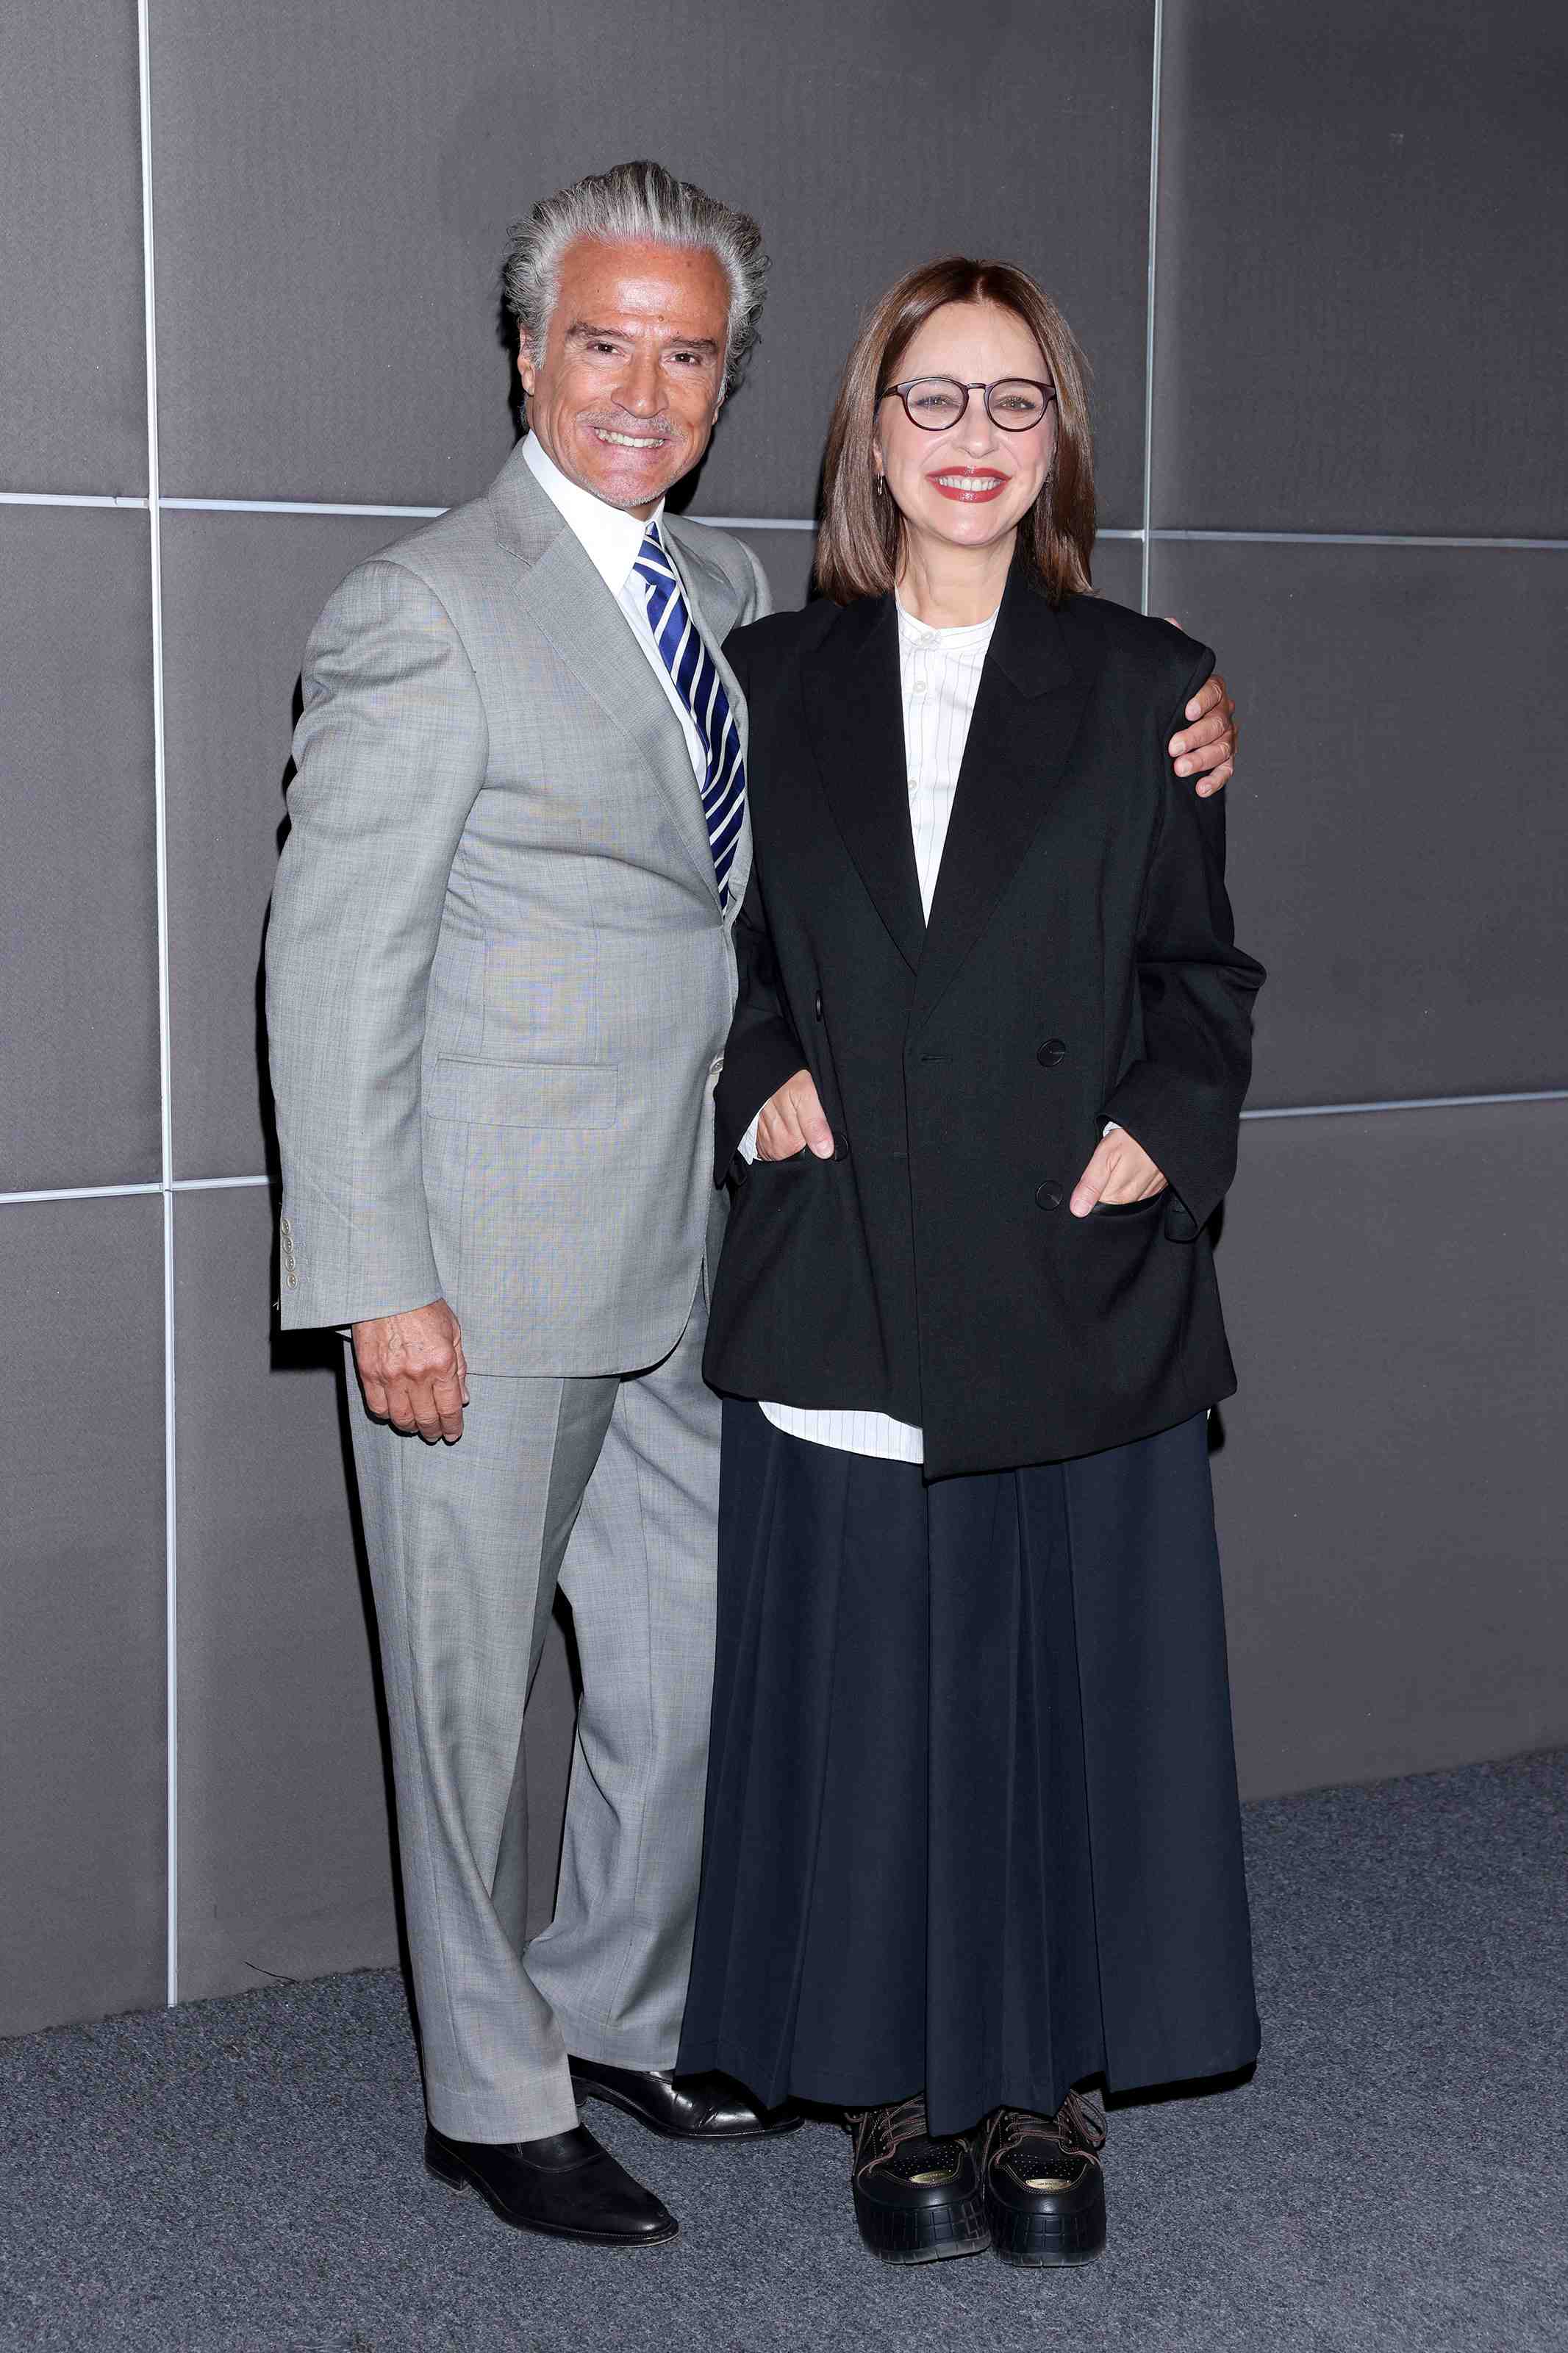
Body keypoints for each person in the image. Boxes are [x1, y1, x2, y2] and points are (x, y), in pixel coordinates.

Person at [265, 165, 1244, 2254]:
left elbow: (893, 792)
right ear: (526, 356)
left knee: (691, 1681)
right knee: (462, 1705)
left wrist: (1182, 716)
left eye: (688, 354)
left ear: (733, 386)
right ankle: (490, 2096)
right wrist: (372, 1278)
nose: (642, 390)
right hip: (487, 1257)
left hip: (715, 1254)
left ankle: (623, 2009)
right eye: (600, 344)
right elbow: (328, 969)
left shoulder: (731, 604)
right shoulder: (421, 608)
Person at [678, 255, 1265, 2271]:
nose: (975, 438)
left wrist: (1162, 1130)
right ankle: (892, 2088)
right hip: (849, 1258)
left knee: (1049, 1694)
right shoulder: (768, 683)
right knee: (877, 1698)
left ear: (1057, 440)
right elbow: (712, 954)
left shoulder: (1151, 683)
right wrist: (760, 1081)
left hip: (1063, 1260)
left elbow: (1202, 978)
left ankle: (1043, 2093)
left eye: (1017, 401)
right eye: (935, 397)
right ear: (871, 430)